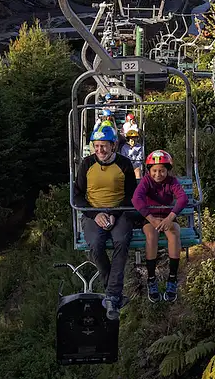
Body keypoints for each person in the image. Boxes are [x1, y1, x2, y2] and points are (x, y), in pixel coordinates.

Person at [75, 125, 138, 320]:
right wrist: (95, 215)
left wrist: (114, 213)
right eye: (97, 146)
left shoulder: (124, 164)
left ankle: (111, 295)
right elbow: (77, 195)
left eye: (104, 146)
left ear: (113, 146)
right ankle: (114, 294)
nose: (100, 150)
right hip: (94, 212)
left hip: (119, 212)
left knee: (121, 240)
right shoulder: (86, 164)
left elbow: (131, 195)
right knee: (96, 244)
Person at [132, 150, 188, 303]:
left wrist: (171, 217)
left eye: (162, 170)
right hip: (151, 218)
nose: (158, 174)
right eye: (154, 170)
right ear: (149, 171)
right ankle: (151, 278)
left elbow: (182, 198)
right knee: (151, 235)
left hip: (167, 217)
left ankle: (172, 278)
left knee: (174, 233)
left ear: (167, 170)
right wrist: (150, 218)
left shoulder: (171, 182)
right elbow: (136, 199)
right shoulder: (146, 181)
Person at [120, 114, 144, 179]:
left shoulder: (139, 147)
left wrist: (135, 164)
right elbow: (123, 158)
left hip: (136, 165)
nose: (133, 140)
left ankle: (138, 185)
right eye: (131, 138)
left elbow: (140, 158)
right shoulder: (124, 147)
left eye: (134, 138)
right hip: (127, 165)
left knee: (138, 173)